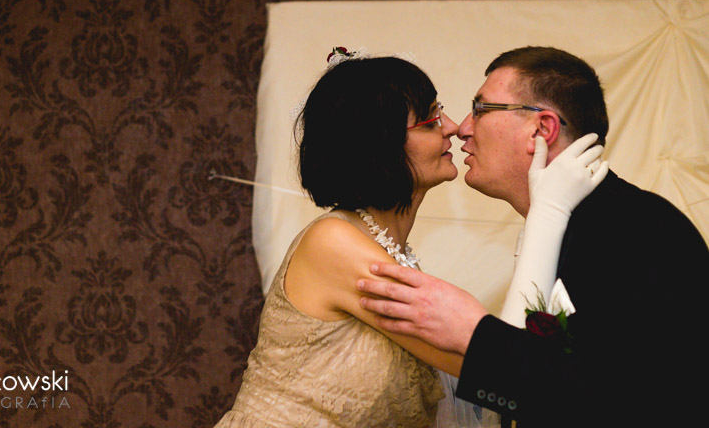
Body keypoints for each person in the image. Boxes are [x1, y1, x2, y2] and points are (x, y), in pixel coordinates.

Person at [215, 51, 605, 428]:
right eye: (432, 119)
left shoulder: (391, 253)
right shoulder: (332, 243)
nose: (453, 127)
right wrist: (546, 213)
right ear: (381, 142)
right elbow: (506, 369)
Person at [356, 46, 709, 427]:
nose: (463, 128)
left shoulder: (640, 233)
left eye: (480, 109)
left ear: (541, 130)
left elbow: (622, 400)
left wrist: (474, 333)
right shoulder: (571, 224)